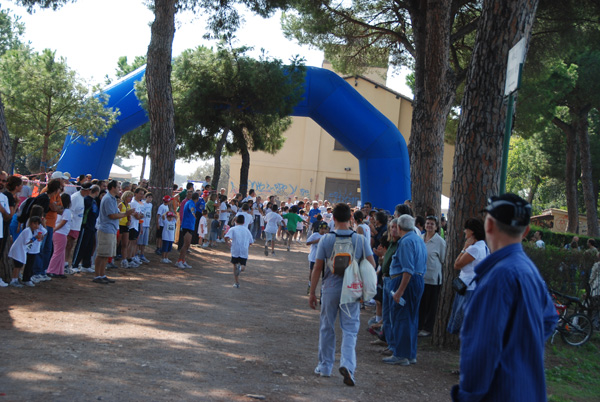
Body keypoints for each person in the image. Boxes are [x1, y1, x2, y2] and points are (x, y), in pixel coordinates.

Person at [451, 193, 558, 401]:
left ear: (489, 226)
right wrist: (520, 348)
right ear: (526, 231)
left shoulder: (497, 277)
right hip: (528, 390)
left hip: (500, 392)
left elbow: (481, 347)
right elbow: (550, 318)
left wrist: (469, 395)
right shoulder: (529, 270)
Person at [308, 203, 375, 386]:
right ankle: (348, 366)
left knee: (327, 327)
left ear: (334, 219)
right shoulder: (360, 240)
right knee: (350, 330)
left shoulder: (326, 240)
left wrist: (312, 292)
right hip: (352, 290)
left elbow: (317, 268)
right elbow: (372, 265)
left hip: (330, 288)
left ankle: (325, 367)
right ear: (351, 219)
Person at [383, 214, 427, 366]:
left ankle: (401, 354)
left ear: (400, 227)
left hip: (406, 282)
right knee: (411, 318)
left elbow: (407, 269)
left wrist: (399, 291)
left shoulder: (406, 242)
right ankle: (410, 353)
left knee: (402, 317)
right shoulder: (418, 240)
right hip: (417, 280)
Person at [447, 218, 489, 334]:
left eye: (466, 229)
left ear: (472, 232)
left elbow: (457, 264)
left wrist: (464, 249)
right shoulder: (484, 247)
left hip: (469, 289)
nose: (464, 231)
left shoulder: (474, 249)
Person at [94, 180, 135, 284]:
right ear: (112, 188)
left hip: (111, 228)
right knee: (102, 253)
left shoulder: (112, 199)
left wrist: (125, 214)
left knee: (106, 254)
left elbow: (115, 213)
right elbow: (112, 215)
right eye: (118, 187)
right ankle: (97, 275)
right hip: (106, 228)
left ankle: (102, 274)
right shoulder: (108, 199)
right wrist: (126, 214)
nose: (119, 189)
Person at [418, 215, 446, 337]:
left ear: (436, 227)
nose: (429, 226)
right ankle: (419, 325)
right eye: (428, 223)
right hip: (420, 277)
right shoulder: (420, 238)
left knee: (431, 304)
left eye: (432, 224)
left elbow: (443, 259)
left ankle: (428, 328)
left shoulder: (440, 242)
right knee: (421, 303)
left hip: (433, 278)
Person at [8, 216, 45, 287]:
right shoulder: (27, 231)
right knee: (17, 265)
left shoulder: (31, 231)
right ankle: (13, 280)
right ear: (31, 223)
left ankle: (15, 279)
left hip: (21, 250)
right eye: (35, 224)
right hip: (18, 250)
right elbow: (27, 242)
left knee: (19, 265)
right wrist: (35, 238)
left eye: (38, 224)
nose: (36, 226)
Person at [72, 185, 100, 273]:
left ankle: (86, 264)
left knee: (89, 246)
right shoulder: (86, 200)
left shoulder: (94, 201)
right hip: (85, 226)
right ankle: (75, 264)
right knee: (81, 245)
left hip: (92, 226)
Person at [46, 193, 72, 278]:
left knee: (61, 253)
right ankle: (51, 270)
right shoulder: (67, 211)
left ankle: (59, 271)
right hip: (61, 233)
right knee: (58, 253)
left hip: (59, 233)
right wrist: (55, 229)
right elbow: (63, 222)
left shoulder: (58, 210)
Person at [225, 214, 254, 288]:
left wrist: (228, 243)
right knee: (243, 265)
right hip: (244, 250)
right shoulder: (247, 230)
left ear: (235, 221)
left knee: (235, 265)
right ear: (244, 222)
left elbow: (226, 237)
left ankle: (237, 282)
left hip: (235, 249)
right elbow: (251, 242)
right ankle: (241, 268)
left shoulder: (233, 229)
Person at [176, 192, 198, 269]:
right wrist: (193, 212)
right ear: (197, 199)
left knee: (187, 245)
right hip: (187, 226)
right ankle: (179, 261)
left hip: (190, 226)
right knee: (186, 244)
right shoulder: (190, 203)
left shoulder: (190, 202)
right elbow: (191, 208)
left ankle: (183, 260)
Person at [306, 221, 329, 294]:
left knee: (323, 275)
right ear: (319, 228)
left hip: (323, 259)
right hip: (313, 257)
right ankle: (310, 286)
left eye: (325, 229)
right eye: (322, 228)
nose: (323, 230)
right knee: (312, 273)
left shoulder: (327, 236)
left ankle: (322, 290)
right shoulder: (315, 235)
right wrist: (316, 241)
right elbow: (307, 243)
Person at [136, 192, 153, 263]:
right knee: (139, 241)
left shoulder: (151, 205)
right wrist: (141, 225)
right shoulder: (142, 204)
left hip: (147, 225)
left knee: (144, 241)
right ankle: (136, 254)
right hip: (142, 224)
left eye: (151, 197)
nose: (150, 199)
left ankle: (142, 255)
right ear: (146, 197)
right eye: (148, 197)